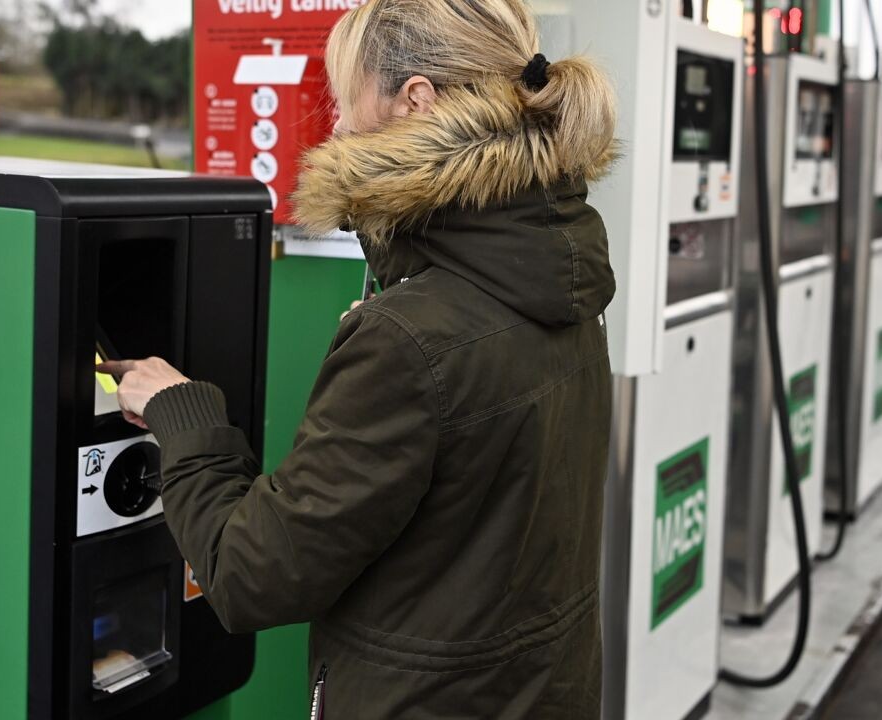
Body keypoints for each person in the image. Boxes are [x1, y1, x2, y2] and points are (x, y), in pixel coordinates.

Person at [97, 0, 617, 716]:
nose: (337, 124)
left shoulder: (414, 337)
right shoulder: (560, 275)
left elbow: (252, 576)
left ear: (414, 100)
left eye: (345, 98)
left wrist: (182, 412)